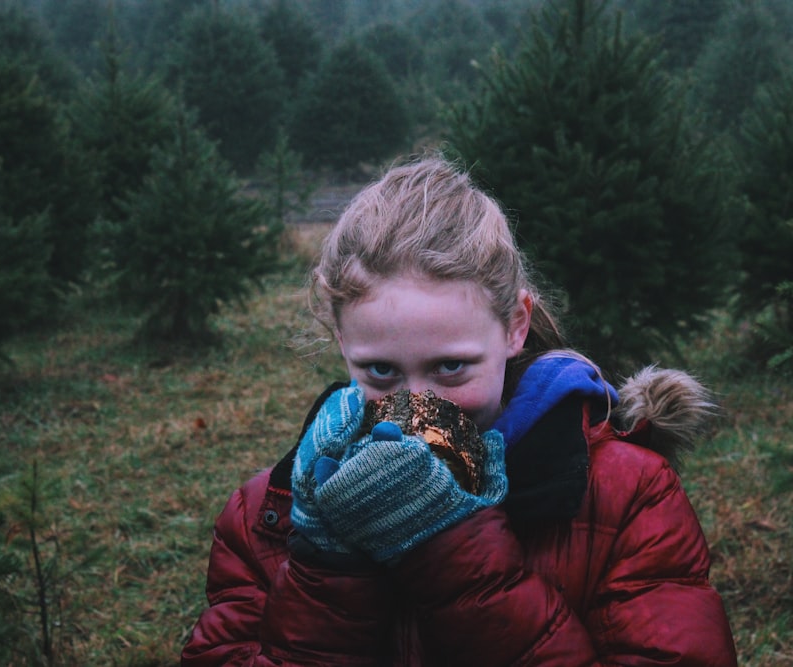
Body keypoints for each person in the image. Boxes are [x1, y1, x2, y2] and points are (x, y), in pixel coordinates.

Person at [181, 156, 738, 666]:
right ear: (342, 342)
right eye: (381, 372)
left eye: (451, 368)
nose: (415, 408)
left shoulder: (628, 497)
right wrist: (327, 567)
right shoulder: (271, 511)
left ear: (517, 325)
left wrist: (456, 554)